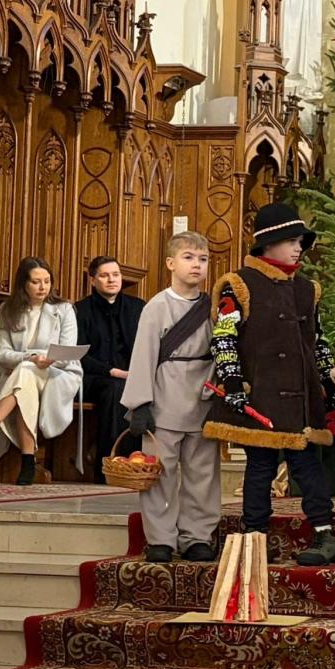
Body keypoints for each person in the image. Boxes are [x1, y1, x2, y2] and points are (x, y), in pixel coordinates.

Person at [203, 203, 335, 566]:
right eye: (291, 241)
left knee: (307, 465)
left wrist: (329, 380)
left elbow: (317, 341)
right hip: (260, 392)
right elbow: (224, 337)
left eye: (301, 242)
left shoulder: (307, 289)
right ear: (268, 244)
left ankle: (324, 533)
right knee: (260, 466)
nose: (298, 248)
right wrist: (232, 382)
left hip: (301, 396)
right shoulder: (238, 284)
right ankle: (254, 536)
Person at [121, 232, 221, 563]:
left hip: (202, 398)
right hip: (164, 399)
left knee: (202, 475)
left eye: (203, 259)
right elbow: (143, 355)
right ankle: (161, 538)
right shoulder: (156, 307)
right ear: (170, 263)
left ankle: (197, 536)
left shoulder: (213, 308)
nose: (196, 265)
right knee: (160, 474)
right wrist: (140, 404)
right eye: (188, 257)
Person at [0, 257, 82, 485]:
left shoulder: (64, 309)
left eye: (47, 281)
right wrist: (30, 358)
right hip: (20, 373)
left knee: (25, 372)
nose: (43, 287)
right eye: (36, 282)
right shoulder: (8, 310)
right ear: (23, 284)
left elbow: (67, 353)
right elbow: (2, 354)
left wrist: (40, 358)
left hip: (58, 372)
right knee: (26, 379)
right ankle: (28, 462)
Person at [75, 256, 145, 483]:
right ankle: (111, 467)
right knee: (117, 389)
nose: (112, 280)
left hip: (132, 376)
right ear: (93, 280)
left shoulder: (138, 308)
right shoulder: (81, 310)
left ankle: (139, 464)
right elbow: (79, 354)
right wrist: (112, 371)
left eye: (116, 275)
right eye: (104, 276)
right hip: (93, 378)